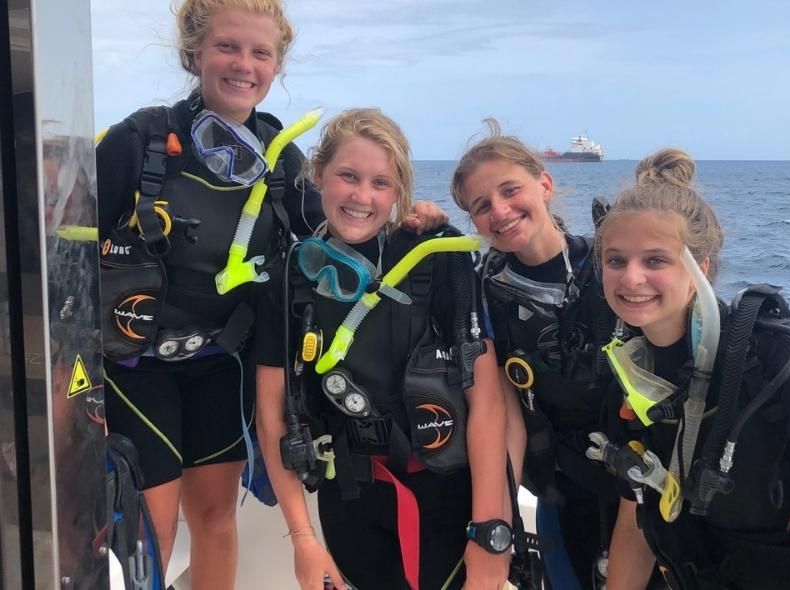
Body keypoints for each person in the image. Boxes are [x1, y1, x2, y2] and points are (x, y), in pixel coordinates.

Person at [95, 2, 444, 587]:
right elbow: (66, 265)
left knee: (214, 521)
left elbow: (337, 232)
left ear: (277, 64)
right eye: (228, 47)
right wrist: (71, 393)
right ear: (195, 52)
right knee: (150, 531)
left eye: (261, 53)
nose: (243, 64)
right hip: (136, 366)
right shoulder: (141, 141)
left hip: (222, 367)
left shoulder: (279, 155)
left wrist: (412, 221)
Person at [254, 108, 511, 590]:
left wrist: (490, 529)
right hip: (350, 501)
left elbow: (488, 402)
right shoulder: (290, 277)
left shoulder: (437, 257)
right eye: (348, 177)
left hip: (445, 499)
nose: (362, 196)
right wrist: (303, 539)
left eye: (380, 183)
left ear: (398, 194)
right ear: (319, 176)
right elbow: (270, 416)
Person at [592, 148, 790, 589]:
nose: (631, 278)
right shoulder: (630, 377)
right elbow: (637, 513)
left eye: (655, 260)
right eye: (616, 260)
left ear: (699, 268)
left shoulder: (770, 357)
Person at [450, 122, 621, 589]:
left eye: (510, 190)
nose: (500, 211)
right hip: (562, 495)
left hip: (639, 492)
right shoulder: (487, 294)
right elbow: (502, 413)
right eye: (482, 206)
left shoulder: (613, 267)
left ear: (544, 184)